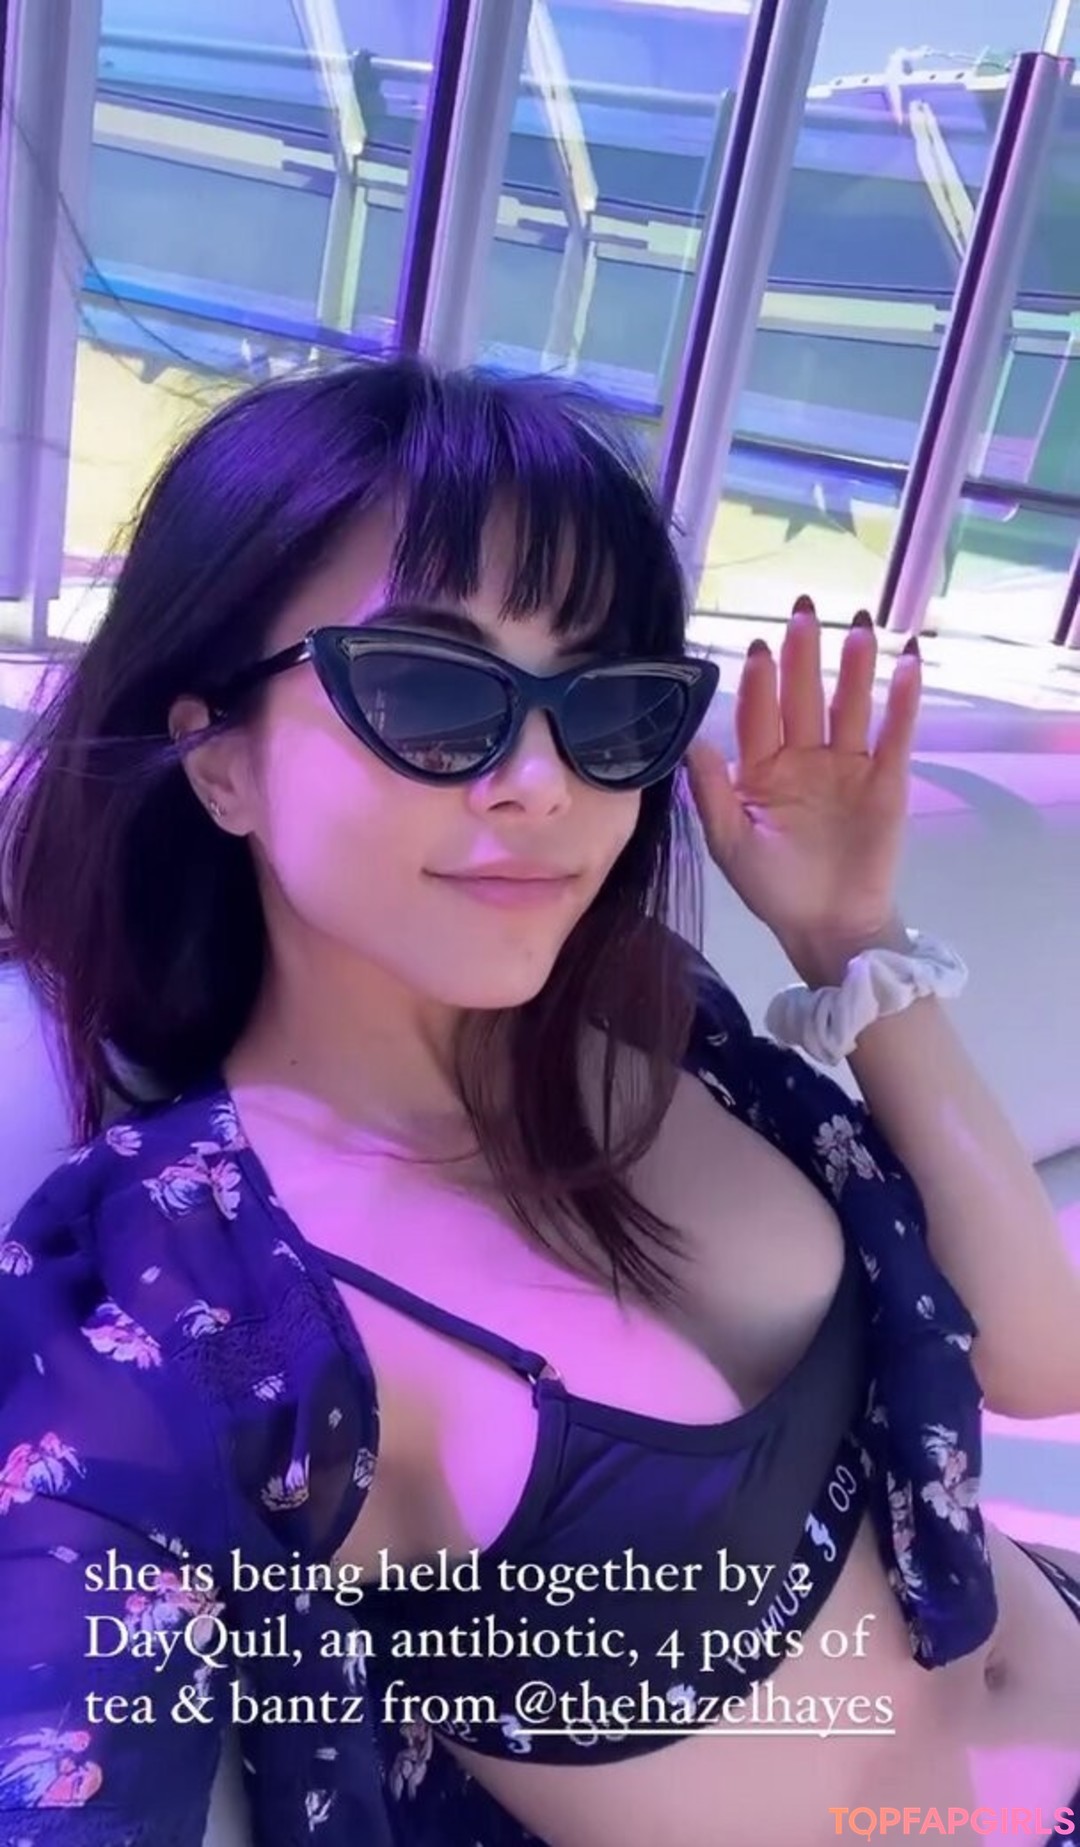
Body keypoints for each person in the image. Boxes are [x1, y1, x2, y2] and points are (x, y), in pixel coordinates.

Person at [0, 356, 1077, 1847]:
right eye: (429, 690)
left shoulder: (653, 1015)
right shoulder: (183, 1294)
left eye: (604, 706)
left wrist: (850, 938)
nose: (540, 779)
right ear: (220, 760)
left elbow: (1034, 1360)